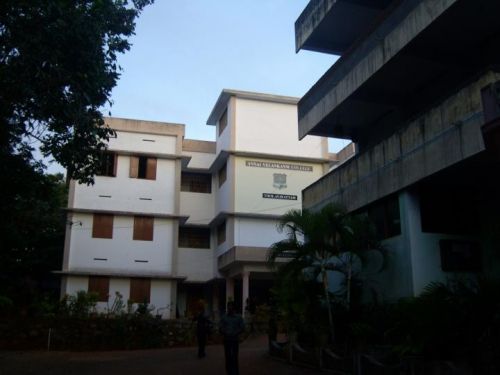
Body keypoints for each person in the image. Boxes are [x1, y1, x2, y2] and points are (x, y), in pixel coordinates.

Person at [219, 301, 245, 375]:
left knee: (234, 356)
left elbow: (242, 328)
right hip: (227, 340)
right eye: (228, 306)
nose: (229, 308)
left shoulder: (239, 317)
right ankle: (229, 372)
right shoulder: (224, 317)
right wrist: (225, 332)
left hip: (234, 340)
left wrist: (236, 333)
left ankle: (236, 372)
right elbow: (220, 328)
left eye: (231, 306)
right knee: (228, 356)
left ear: (234, 308)